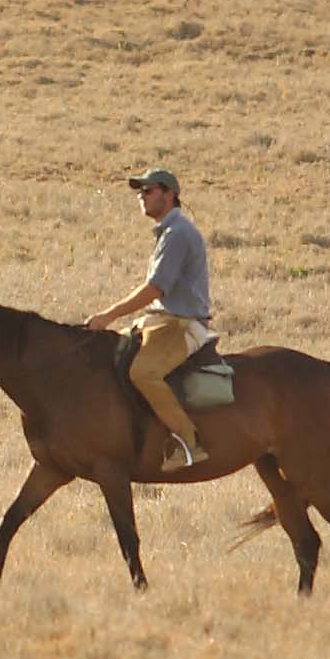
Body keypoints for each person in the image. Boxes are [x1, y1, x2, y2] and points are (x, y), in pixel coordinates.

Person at [83, 167, 216, 471]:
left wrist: (109, 315)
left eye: (149, 190)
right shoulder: (169, 232)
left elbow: (154, 289)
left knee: (143, 373)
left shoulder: (178, 234)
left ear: (170, 195)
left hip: (182, 325)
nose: (141, 196)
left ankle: (189, 443)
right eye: (139, 191)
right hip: (162, 322)